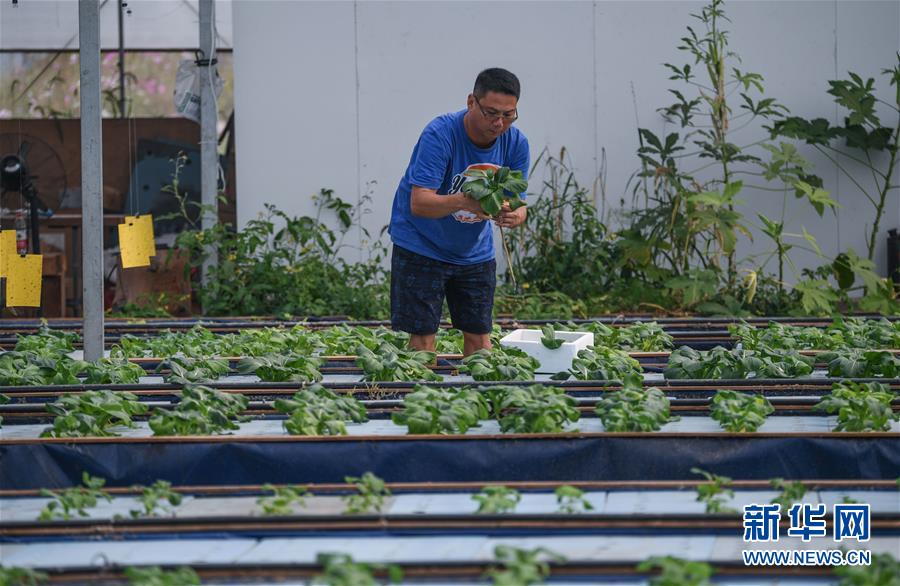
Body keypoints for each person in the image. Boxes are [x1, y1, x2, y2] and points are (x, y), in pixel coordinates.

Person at [388, 67, 530, 356]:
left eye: (508, 115)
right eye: (491, 113)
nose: (499, 123)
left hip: (474, 251)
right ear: (471, 102)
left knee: (480, 338)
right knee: (423, 338)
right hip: (421, 243)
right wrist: (466, 202)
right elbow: (420, 203)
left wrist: (516, 215)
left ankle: (477, 400)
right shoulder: (440, 134)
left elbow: (519, 201)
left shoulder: (516, 143)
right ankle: (422, 398)